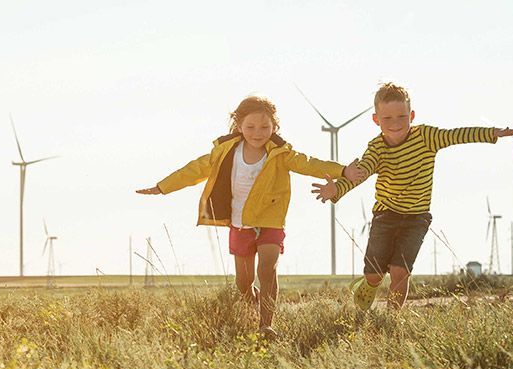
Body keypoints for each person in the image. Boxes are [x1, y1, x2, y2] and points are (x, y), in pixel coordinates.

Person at [138, 95, 365, 334]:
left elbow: (310, 164)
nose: (258, 133)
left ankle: (266, 324)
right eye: (251, 127)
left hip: (270, 222)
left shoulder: (281, 154)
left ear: (274, 127)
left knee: (267, 270)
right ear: (239, 127)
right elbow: (193, 169)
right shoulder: (225, 152)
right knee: (243, 283)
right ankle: (253, 303)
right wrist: (163, 187)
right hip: (240, 224)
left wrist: (342, 171)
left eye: (265, 127)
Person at [312, 81, 513, 310]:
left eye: (401, 116)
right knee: (374, 274)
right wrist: (337, 189)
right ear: (376, 120)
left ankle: (393, 317)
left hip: (416, 218)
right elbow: (361, 173)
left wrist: (493, 133)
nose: (395, 124)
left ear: (412, 115)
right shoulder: (377, 147)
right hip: (385, 215)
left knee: (400, 271)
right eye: (387, 119)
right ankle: (369, 283)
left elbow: (458, 135)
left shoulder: (426, 137)